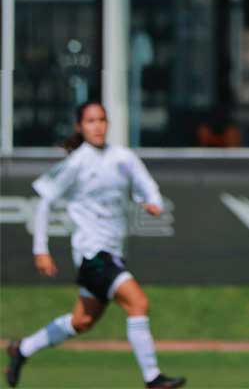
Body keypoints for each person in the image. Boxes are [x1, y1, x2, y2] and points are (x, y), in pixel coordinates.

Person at [5, 102, 185, 389]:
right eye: (90, 121)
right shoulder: (77, 162)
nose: (97, 126)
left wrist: (154, 202)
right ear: (79, 126)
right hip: (92, 254)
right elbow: (45, 200)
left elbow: (147, 185)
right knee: (138, 302)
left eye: (101, 120)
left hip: (113, 253)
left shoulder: (123, 157)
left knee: (82, 321)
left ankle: (22, 349)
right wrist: (40, 249)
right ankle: (153, 378)